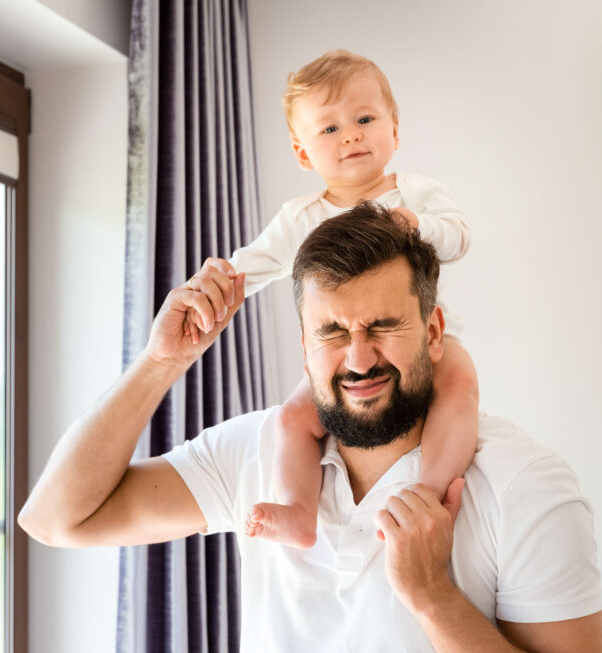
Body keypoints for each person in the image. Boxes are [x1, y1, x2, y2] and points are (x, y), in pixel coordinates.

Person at [19, 204, 602, 651]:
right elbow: (56, 519)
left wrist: (436, 600)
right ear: (303, 345)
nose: (358, 358)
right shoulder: (253, 453)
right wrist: (161, 363)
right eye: (331, 333)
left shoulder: (525, 486)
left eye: (382, 325)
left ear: (433, 331)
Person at [183, 50, 478, 549]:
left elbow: (460, 238)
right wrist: (214, 282)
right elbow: (250, 266)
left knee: (459, 389)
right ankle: (299, 511)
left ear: (395, 131)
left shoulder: (418, 193)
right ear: (303, 154)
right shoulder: (301, 217)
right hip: (338, 358)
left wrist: (419, 225)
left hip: (429, 341)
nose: (352, 135)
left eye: (365, 119)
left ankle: (425, 494)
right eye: (330, 129)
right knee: (292, 419)